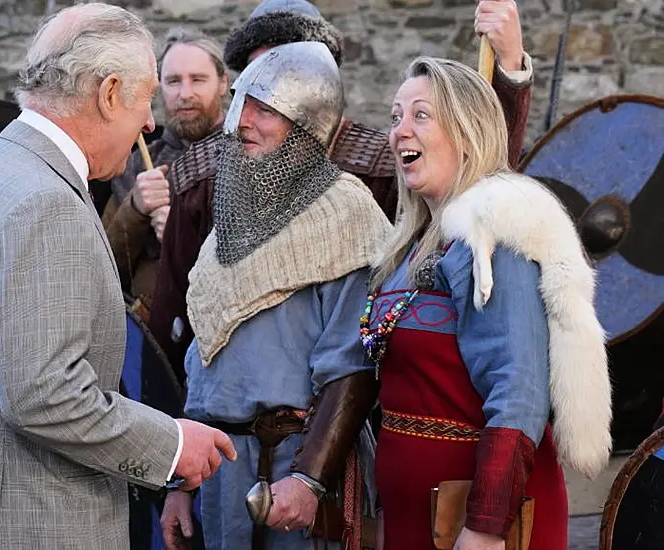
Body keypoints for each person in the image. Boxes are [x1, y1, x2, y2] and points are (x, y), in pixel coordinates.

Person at [0, 5, 236, 549]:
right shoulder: (47, 202)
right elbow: (42, 395)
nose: (148, 122)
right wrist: (169, 444)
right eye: (144, 101)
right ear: (110, 92)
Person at [147, 0, 535, 378]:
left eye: (290, 69)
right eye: (262, 76)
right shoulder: (204, 175)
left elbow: (480, 173)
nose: (277, 86)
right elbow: (176, 315)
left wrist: (509, 71)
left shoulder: (385, 165)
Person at [363, 56, 612, 549]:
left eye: (420, 115)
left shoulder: (497, 237)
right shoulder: (410, 248)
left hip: (483, 523)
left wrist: (485, 527)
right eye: (395, 117)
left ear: (467, 131)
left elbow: (517, 391)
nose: (400, 131)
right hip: (417, 519)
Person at [160, 41, 389, 550]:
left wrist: (310, 477)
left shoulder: (345, 215)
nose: (243, 121)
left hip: (295, 467)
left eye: (265, 110)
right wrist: (182, 483)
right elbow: (205, 358)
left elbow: (352, 366)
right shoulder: (231, 221)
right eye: (242, 103)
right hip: (220, 470)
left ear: (306, 124)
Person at [100, 27, 229, 318]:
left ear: (223, 83)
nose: (185, 94)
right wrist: (135, 209)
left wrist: (182, 234)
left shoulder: (249, 155)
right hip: (152, 340)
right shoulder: (137, 164)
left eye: (198, 79)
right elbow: (103, 270)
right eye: (173, 81)